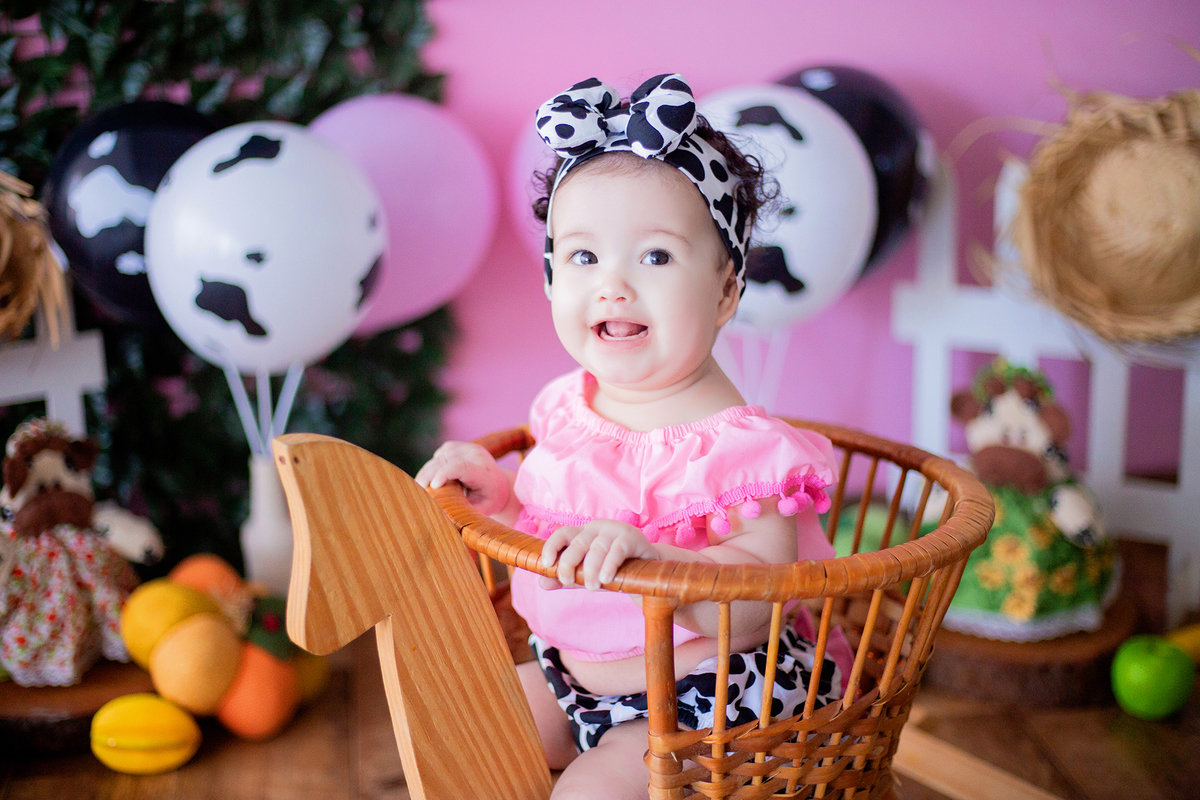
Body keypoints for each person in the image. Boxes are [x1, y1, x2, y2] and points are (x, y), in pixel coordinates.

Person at [416, 73, 848, 800]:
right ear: (553, 277)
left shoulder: (742, 452)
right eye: (584, 257)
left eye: (654, 256)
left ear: (724, 293)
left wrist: (664, 562)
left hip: (706, 706)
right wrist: (499, 496)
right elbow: (551, 521)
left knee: (590, 794)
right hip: (572, 677)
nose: (612, 284)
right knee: (461, 727)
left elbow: (763, 601)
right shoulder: (566, 408)